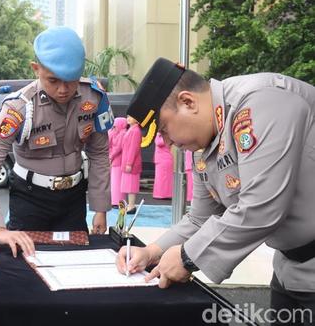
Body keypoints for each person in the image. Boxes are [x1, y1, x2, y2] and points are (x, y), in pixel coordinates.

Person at [116, 57, 315, 322]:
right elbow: (200, 218)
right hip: (291, 271)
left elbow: (261, 207)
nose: (168, 142)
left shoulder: (261, 102)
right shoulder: (204, 146)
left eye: (164, 130)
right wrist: (152, 252)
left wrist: (187, 258)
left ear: (188, 102)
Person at [0, 26, 113, 257]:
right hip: (30, 201)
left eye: (71, 80)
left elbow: (99, 154)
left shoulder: (94, 98)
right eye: (53, 80)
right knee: (27, 272)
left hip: (73, 200)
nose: (63, 89)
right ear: (36, 69)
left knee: (75, 267)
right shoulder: (19, 109)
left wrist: (99, 209)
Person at [120, 115, 142, 213]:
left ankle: (132, 205)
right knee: (128, 185)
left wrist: (129, 163)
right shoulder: (131, 129)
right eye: (128, 116)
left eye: (131, 117)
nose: (128, 118)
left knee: (131, 185)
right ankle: (130, 205)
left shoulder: (135, 131)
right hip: (127, 160)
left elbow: (134, 148)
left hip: (131, 162)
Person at [109, 117, 128, 206]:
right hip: (116, 161)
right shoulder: (118, 132)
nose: (114, 127)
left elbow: (118, 147)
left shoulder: (122, 133)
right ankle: (115, 200)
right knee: (115, 182)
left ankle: (117, 201)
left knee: (117, 182)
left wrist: (111, 156)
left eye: (116, 125)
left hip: (119, 160)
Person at [152, 132, 173, 200]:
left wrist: (159, 134)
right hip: (160, 159)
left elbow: (159, 143)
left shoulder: (168, 135)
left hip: (165, 159)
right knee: (160, 178)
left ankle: (164, 194)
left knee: (164, 178)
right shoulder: (162, 135)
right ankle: (159, 194)